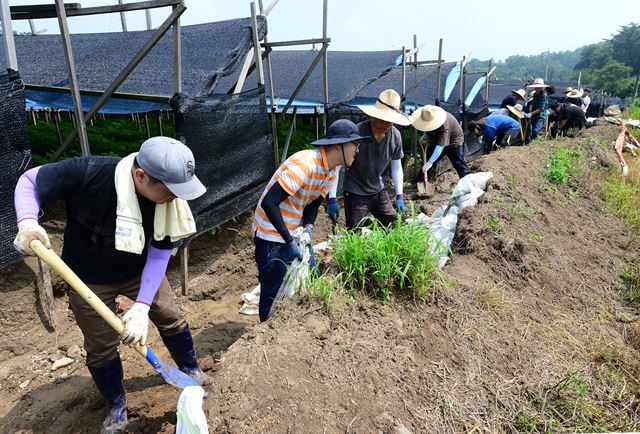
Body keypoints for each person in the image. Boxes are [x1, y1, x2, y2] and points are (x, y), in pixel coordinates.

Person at [12, 137, 208, 433]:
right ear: (141, 176)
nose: (176, 198)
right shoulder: (88, 172)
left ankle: (190, 368)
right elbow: (29, 181)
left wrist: (141, 307)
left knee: (168, 314)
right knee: (100, 345)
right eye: (170, 189)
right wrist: (27, 221)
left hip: (140, 269)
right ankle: (116, 406)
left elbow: (159, 252)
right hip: (85, 276)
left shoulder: (168, 206)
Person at [253, 119, 370, 321]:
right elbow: (269, 203)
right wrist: (288, 241)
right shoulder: (305, 165)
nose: (357, 150)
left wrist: (308, 227)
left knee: (312, 282)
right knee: (271, 294)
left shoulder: (331, 171)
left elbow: (314, 203)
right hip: (271, 234)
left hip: (295, 233)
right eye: (355, 144)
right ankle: (264, 337)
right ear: (338, 145)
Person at [327, 89, 412, 230]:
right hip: (356, 191)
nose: (384, 124)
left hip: (378, 189)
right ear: (374, 116)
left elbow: (396, 167)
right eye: (381, 119)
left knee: (394, 227)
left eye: (389, 121)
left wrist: (400, 196)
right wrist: (332, 198)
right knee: (355, 233)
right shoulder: (358, 133)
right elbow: (337, 165)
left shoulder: (395, 136)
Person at [411, 105, 470, 179]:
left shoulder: (443, 125)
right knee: (428, 157)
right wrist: (425, 134)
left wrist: (430, 162)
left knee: (458, 163)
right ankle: (421, 180)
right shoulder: (427, 115)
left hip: (454, 141)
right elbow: (426, 125)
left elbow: (440, 147)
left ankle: (467, 181)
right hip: (438, 138)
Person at [524, 78, 550, 143]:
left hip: (540, 116)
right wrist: (531, 109)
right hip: (534, 115)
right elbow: (534, 103)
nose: (537, 88)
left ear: (541, 87)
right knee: (530, 130)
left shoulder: (543, 95)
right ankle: (531, 143)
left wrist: (531, 113)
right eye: (536, 87)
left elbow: (541, 109)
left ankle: (532, 143)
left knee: (536, 131)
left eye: (538, 87)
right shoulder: (535, 94)